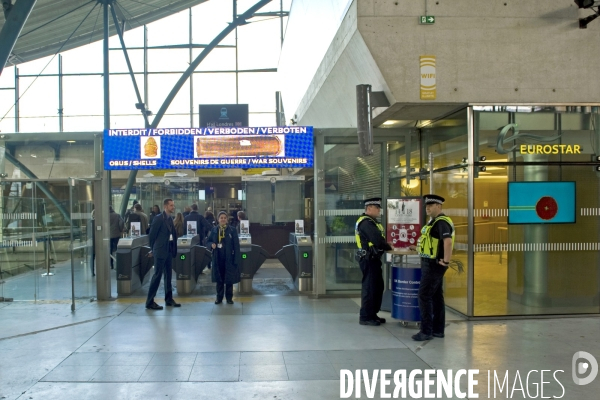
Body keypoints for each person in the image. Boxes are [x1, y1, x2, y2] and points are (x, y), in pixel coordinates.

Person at [409, 194, 454, 341]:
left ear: (439, 206)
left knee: (424, 295)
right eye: (426, 205)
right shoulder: (433, 222)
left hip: (434, 265)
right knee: (436, 296)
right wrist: (417, 248)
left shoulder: (441, 222)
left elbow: (447, 242)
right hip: (430, 263)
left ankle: (426, 331)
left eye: (431, 205)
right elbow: (430, 243)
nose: (427, 208)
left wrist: (446, 261)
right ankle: (438, 329)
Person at [355, 197, 392, 326]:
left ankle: (372, 314)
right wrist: (389, 247)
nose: (379, 210)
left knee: (377, 287)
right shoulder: (366, 223)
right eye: (377, 208)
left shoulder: (372, 222)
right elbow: (377, 239)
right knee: (370, 288)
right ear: (369, 208)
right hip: (368, 259)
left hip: (373, 259)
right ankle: (365, 316)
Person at [145, 198, 181, 310]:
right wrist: (153, 249)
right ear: (165, 206)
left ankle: (169, 299)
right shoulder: (158, 219)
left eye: (173, 205)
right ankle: (149, 301)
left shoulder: (170, 219)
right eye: (171, 205)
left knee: (168, 276)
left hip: (168, 251)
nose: (173, 207)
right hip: (160, 251)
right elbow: (152, 236)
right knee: (157, 276)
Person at [206, 211, 241, 305]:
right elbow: (208, 241)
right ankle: (219, 297)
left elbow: (236, 245)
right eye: (221, 218)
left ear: (227, 220)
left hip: (229, 257)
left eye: (224, 218)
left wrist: (236, 259)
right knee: (219, 279)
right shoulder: (214, 230)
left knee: (229, 278)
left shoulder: (232, 230)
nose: (223, 219)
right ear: (218, 219)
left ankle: (229, 298)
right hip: (218, 257)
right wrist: (211, 245)